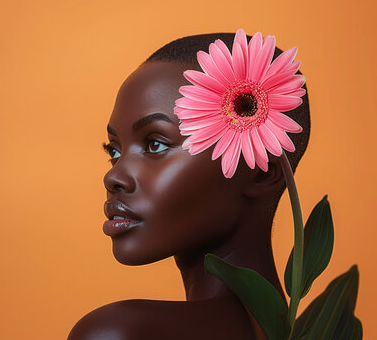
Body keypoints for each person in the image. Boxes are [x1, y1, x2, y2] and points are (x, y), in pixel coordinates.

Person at [69, 32, 310, 340]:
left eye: (155, 144)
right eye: (114, 151)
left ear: (260, 173)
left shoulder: (121, 333)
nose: (113, 177)